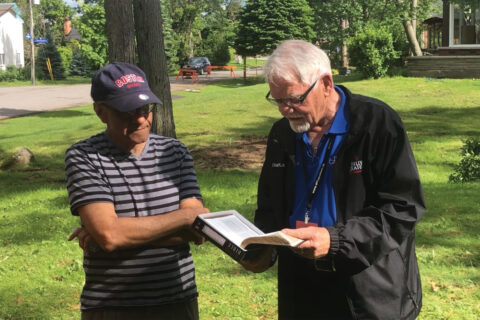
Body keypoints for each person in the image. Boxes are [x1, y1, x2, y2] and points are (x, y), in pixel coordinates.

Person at [241, 40, 425, 320]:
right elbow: (270, 207)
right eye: (277, 100)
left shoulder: (376, 124)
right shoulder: (281, 134)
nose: (285, 110)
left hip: (369, 288)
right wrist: (257, 249)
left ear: (326, 83)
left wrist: (335, 240)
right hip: (301, 288)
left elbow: (403, 208)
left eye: (294, 99)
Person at [65, 62, 209, 320]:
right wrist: (182, 219)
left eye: (144, 109)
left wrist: (115, 236)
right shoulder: (83, 156)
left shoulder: (175, 153)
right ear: (101, 111)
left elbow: (197, 230)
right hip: (111, 305)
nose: (141, 119)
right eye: (127, 111)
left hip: (177, 298)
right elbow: (111, 235)